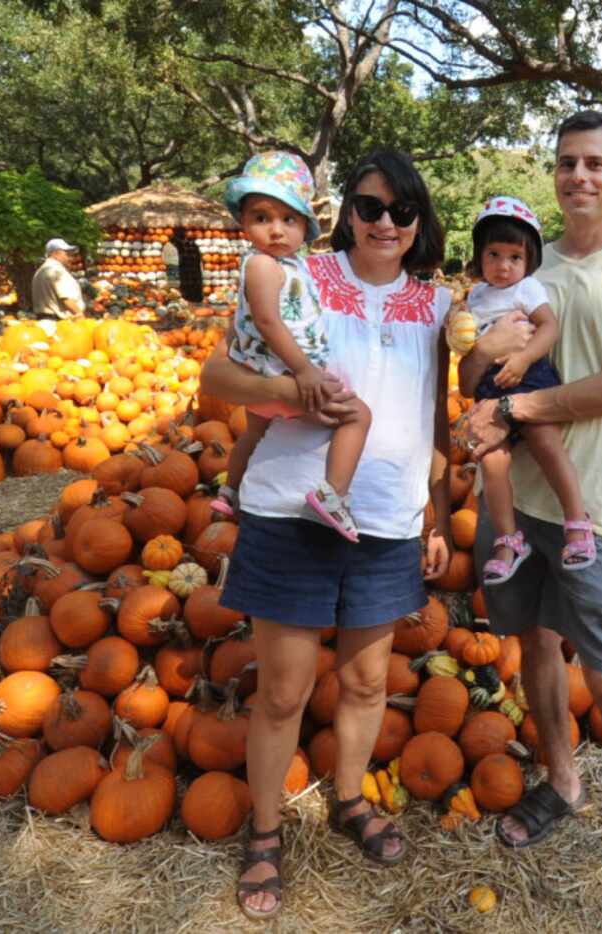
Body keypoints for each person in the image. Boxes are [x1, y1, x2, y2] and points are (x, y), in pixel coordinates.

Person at [199, 150, 452, 922]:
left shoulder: (439, 305)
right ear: (345, 213)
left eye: (400, 211)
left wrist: (435, 509)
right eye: (370, 208)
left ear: (417, 223)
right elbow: (215, 378)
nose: (384, 223)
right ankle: (266, 830)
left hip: (385, 518)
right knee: (283, 690)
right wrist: (291, 387)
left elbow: (436, 412)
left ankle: (348, 799)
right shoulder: (296, 273)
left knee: (369, 681)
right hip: (291, 509)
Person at [460, 111, 602, 934]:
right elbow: (471, 364)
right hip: (513, 505)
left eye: (596, 163)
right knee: (533, 646)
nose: (579, 177)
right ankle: (561, 779)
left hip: (597, 510)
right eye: (566, 163)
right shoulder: (525, 262)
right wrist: (477, 386)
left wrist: (518, 402)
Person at [208, 151, 371, 541]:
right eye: (262, 218)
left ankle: (228, 492)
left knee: (252, 434)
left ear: (304, 225)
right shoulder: (263, 266)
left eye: (288, 219)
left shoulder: (291, 266)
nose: (276, 230)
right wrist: (303, 370)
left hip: (264, 380)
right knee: (358, 416)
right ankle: (333, 495)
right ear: (244, 223)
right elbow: (267, 321)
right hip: (287, 378)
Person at [455, 196, 593, 586]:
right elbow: (471, 346)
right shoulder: (476, 296)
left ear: (528, 260)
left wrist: (523, 358)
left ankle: (577, 522)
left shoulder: (528, 289)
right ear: (479, 256)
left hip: (529, 377)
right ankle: (508, 540)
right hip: (487, 387)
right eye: (494, 254)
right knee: (491, 461)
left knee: (545, 441)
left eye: (514, 257)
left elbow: (548, 327)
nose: (503, 266)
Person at [30, 238, 85, 318]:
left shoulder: (40, 271)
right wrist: (80, 314)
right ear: (56, 253)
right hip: (59, 322)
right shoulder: (58, 271)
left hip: (43, 319)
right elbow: (66, 298)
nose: (70, 257)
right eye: (67, 253)